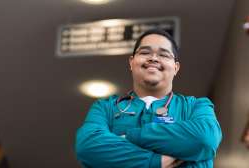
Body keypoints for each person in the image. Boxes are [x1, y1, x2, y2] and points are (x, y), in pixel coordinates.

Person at [75, 28, 222, 168]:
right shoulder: (105, 107)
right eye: (145, 52)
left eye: (164, 55)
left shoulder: (196, 106)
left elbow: (205, 139)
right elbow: (87, 145)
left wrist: (127, 137)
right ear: (131, 62)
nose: (153, 58)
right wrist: (154, 161)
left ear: (176, 67)